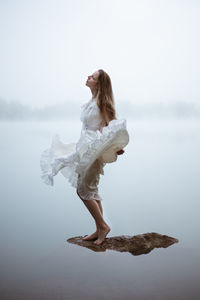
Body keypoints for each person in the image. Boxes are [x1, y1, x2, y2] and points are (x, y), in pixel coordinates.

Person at [40, 69, 129, 245]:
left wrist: (113, 147)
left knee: (83, 190)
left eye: (93, 77)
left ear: (99, 83)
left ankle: (103, 226)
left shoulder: (103, 102)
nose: (88, 77)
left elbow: (110, 125)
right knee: (91, 189)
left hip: (94, 149)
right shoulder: (91, 101)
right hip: (84, 146)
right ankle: (99, 228)